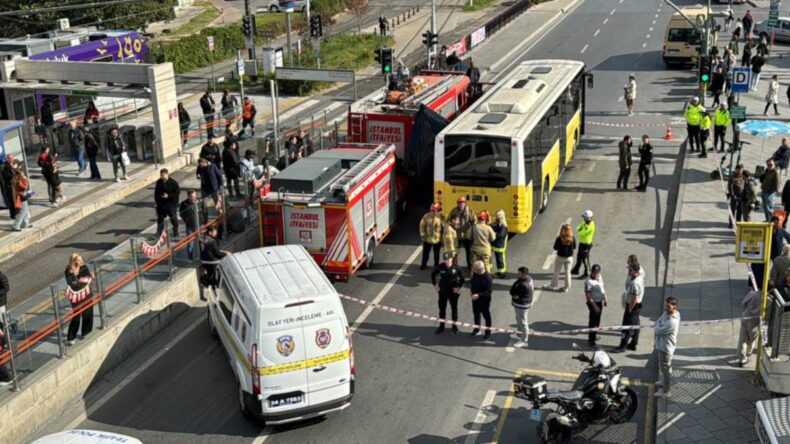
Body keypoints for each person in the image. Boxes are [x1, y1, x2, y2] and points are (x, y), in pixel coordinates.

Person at [612, 262, 645, 353]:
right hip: (637, 306)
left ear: (636, 271)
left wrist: (629, 309)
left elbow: (634, 298)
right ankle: (634, 343)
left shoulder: (635, 283)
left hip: (632, 306)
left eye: (631, 270)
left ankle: (623, 345)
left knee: (627, 327)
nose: (629, 271)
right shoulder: (639, 278)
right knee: (635, 325)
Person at [64, 253, 94, 345]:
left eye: (81, 260)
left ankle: (86, 333)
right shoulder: (68, 270)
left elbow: (88, 277)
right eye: (79, 260)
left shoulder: (83, 266)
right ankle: (71, 338)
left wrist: (84, 279)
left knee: (88, 312)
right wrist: (82, 280)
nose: (81, 262)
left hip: (86, 293)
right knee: (76, 315)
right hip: (75, 295)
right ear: (74, 261)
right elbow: (73, 284)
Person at [431, 252, 465, 334]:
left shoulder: (457, 268)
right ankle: (441, 326)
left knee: (454, 309)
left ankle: (454, 326)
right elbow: (433, 275)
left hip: (453, 293)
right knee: (442, 309)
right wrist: (435, 285)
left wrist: (459, 287)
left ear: (451, 259)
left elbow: (463, 279)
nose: (446, 261)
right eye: (445, 260)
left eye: (448, 259)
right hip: (443, 292)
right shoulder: (440, 267)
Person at [653, 297, 680, 398]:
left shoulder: (672, 322)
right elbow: (658, 321)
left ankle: (666, 391)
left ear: (674, 307)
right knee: (664, 367)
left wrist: (657, 326)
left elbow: (658, 330)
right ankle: (663, 381)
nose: (665, 308)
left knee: (666, 370)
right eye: (665, 305)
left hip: (666, 348)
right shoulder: (667, 314)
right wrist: (658, 325)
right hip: (662, 345)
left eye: (668, 307)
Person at [545, 224, 576, 292]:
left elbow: (555, 248)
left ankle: (553, 285)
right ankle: (566, 287)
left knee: (556, 271)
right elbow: (574, 247)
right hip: (569, 258)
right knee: (567, 272)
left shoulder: (559, 239)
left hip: (560, 257)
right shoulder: (572, 238)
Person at [736, 287, 763, 367]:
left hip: (745, 319)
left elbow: (743, 303)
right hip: (755, 323)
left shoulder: (753, 293)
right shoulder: (769, 301)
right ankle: (748, 352)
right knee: (751, 340)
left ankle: (741, 358)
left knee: (742, 339)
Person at [200, 224, 231, 290]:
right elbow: (217, 253)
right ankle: (208, 281)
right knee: (223, 268)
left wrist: (223, 251)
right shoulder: (212, 241)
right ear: (210, 232)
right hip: (212, 262)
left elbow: (211, 250)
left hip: (204, 261)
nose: (216, 232)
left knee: (211, 274)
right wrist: (226, 253)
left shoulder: (203, 239)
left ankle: (207, 282)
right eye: (215, 231)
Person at [449, 196, 476, 268]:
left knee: (469, 252)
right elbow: (448, 220)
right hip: (457, 235)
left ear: (465, 203)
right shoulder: (453, 211)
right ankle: (455, 266)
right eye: (459, 203)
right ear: (457, 204)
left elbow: (475, 221)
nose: (461, 204)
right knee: (455, 252)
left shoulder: (470, 211)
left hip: (467, 235)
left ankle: (470, 266)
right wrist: (453, 226)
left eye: (462, 203)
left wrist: (471, 230)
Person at [469, 261, 493, 340]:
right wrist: (471, 291)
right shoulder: (476, 274)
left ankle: (488, 332)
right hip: (475, 298)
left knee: (486, 316)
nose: (473, 270)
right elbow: (473, 282)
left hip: (484, 300)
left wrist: (478, 295)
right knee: (476, 314)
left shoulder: (487, 277)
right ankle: (477, 329)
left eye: (474, 269)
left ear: (479, 270)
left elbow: (489, 291)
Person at [510, 266, 533, 348]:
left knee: (523, 322)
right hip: (523, 303)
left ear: (524, 274)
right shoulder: (529, 279)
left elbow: (513, 293)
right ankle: (520, 334)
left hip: (521, 305)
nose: (517, 275)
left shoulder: (523, 284)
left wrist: (514, 295)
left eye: (519, 274)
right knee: (518, 318)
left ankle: (524, 340)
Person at [584, 264, 607, 347]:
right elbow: (588, 295)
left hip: (599, 302)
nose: (595, 274)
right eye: (593, 273)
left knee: (597, 321)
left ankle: (594, 335)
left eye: (596, 273)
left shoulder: (599, 277)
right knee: (593, 322)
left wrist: (605, 298)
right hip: (594, 303)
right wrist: (594, 306)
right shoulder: (588, 281)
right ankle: (591, 341)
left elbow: (602, 287)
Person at [154, 168, 180, 237]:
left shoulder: (173, 182)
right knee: (160, 220)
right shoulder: (159, 182)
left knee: (174, 219)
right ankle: (159, 232)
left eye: (163, 175)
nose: (162, 177)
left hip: (171, 205)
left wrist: (168, 196)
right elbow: (156, 193)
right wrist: (157, 202)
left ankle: (176, 232)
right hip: (161, 205)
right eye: (161, 175)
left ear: (167, 174)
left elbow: (177, 193)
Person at [419, 203, 444, 270]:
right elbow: (422, 226)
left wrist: (443, 239)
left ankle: (436, 265)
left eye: (436, 211)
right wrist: (422, 235)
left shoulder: (441, 217)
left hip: (437, 239)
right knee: (425, 253)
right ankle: (423, 264)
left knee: (436, 254)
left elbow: (444, 228)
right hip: (428, 239)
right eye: (433, 211)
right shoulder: (426, 216)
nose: (434, 212)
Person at [572, 210, 596, 278]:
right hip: (582, 242)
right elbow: (578, 227)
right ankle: (576, 269)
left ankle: (587, 273)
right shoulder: (585, 222)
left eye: (585, 218)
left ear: (589, 218)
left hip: (586, 244)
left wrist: (580, 229)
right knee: (579, 256)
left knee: (585, 259)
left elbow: (581, 232)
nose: (584, 219)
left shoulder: (589, 225)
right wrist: (580, 229)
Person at [179, 190, 200, 260]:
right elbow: (181, 214)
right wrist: (187, 221)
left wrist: (204, 220)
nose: (193, 198)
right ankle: (190, 259)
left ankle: (201, 256)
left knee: (201, 241)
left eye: (194, 196)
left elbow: (204, 210)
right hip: (190, 226)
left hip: (200, 224)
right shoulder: (184, 204)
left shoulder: (199, 201)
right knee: (190, 243)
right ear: (188, 197)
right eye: (191, 196)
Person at [11, 163, 31, 231]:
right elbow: (25, 187)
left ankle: (25, 224)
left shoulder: (17, 180)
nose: (23, 175)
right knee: (22, 212)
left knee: (25, 211)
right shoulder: (18, 182)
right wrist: (26, 179)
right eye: (22, 174)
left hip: (22, 197)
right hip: (21, 198)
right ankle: (16, 225)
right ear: (19, 176)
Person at [490, 210, 508, 278]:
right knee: (499, 260)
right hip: (496, 245)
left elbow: (501, 235)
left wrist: (493, 234)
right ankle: (500, 271)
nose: (496, 216)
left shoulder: (503, 226)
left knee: (500, 260)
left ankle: (502, 273)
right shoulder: (498, 223)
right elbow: (493, 225)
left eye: (498, 215)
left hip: (500, 246)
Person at [0, 155, 17, 220]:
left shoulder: (13, 164)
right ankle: (13, 215)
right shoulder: (5, 166)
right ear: (7, 159)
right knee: (11, 201)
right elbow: (7, 176)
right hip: (9, 187)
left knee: (14, 200)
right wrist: (13, 169)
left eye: (13, 158)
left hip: (14, 186)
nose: (12, 159)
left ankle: (16, 213)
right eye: (11, 158)